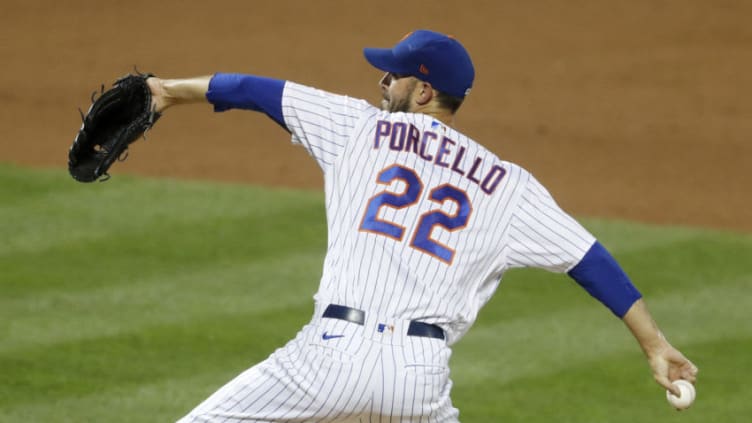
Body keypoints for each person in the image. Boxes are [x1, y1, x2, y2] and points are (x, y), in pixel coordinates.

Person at [147, 29, 698, 422]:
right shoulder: (509, 186)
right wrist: (654, 345)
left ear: (425, 91)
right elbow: (590, 261)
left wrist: (168, 91)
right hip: (418, 378)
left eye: (394, 74)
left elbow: (250, 89)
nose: (383, 81)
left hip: (327, 359)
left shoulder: (357, 128)